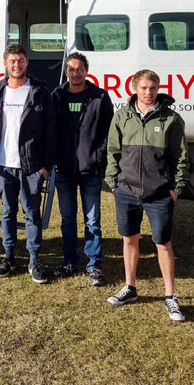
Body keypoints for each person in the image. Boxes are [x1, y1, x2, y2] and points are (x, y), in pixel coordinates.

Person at [105, 69, 190, 322]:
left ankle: (170, 297)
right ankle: (130, 288)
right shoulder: (122, 116)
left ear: (157, 88)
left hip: (160, 194)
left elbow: (181, 156)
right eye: (143, 88)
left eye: (152, 88)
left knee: (163, 243)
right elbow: (112, 151)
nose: (148, 92)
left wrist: (175, 188)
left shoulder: (172, 119)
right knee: (129, 239)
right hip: (126, 191)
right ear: (134, 89)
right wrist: (113, 183)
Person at [0, 44, 55, 284]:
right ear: (5, 63)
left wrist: (45, 166)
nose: (17, 65)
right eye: (12, 61)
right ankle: (8, 256)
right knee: (7, 212)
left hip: (31, 166)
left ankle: (34, 259)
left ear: (27, 63)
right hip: (4, 166)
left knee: (32, 213)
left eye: (21, 60)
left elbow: (50, 131)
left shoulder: (39, 92)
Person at [52, 52, 114, 286]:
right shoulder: (57, 96)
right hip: (65, 170)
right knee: (68, 219)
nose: (75, 73)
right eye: (71, 69)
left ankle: (94, 265)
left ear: (86, 71)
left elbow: (109, 132)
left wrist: (98, 156)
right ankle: (69, 260)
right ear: (66, 71)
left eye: (79, 69)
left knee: (92, 221)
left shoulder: (99, 97)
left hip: (91, 170)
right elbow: (51, 131)